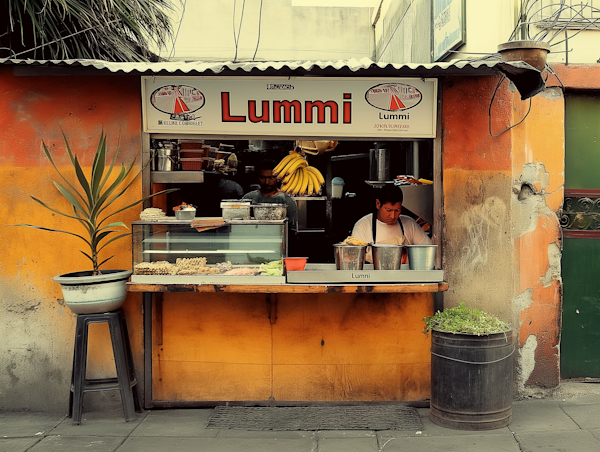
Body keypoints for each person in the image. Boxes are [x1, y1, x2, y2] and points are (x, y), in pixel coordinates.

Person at [351, 185, 431, 263]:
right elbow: (354, 259)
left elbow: (428, 250)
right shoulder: (363, 226)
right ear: (378, 204)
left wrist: (407, 256)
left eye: (397, 210)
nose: (393, 216)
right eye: (388, 210)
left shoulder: (409, 224)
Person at [242, 158, 298, 231]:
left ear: (278, 177)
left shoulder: (287, 200)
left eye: (271, 177)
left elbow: (292, 229)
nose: (267, 182)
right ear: (257, 177)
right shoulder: (248, 198)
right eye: (263, 178)